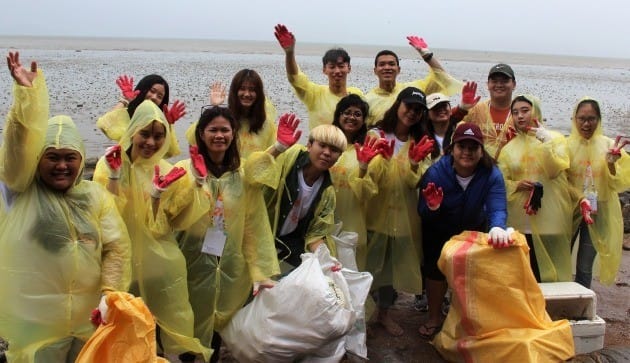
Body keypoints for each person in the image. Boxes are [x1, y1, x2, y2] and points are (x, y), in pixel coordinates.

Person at [0, 51, 131, 362]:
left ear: (80, 159)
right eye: (52, 156)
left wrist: (109, 296)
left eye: (69, 157)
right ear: (39, 159)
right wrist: (27, 100)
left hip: (88, 319)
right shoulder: (21, 190)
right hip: (37, 322)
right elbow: (17, 150)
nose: (61, 165)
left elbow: (116, 247)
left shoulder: (95, 196)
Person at [93, 100, 211, 361]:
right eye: (145, 134)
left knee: (176, 321)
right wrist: (114, 178)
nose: (151, 142)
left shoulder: (167, 170)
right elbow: (105, 216)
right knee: (123, 326)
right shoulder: (110, 164)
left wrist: (197, 185)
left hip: (161, 262)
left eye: (159, 136)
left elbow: (174, 222)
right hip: (121, 264)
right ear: (132, 131)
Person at [163, 106, 280, 363]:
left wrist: (259, 271)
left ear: (233, 134)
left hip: (227, 258)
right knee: (189, 314)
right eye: (212, 130)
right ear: (201, 135)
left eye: (225, 130)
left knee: (217, 319)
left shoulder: (242, 177)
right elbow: (170, 215)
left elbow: (253, 225)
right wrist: (195, 180)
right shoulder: (185, 168)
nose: (219, 136)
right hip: (190, 256)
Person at [418, 122, 510, 340]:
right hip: (439, 225)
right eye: (462, 147)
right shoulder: (436, 172)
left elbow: (498, 206)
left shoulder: (491, 174)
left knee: (469, 273)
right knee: (435, 271)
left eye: (473, 148)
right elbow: (422, 211)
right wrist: (432, 207)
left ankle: (465, 317)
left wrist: (497, 227)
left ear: (481, 150)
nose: (467, 152)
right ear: (452, 149)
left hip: (472, 226)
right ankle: (434, 317)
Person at [364, 87, 435, 336]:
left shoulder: (421, 142)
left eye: (418, 110)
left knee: (391, 269)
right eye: (409, 107)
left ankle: (383, 314)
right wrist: (381, 160)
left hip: (404, 216)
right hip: (374, 213)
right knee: (369, 264)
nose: (412, 113)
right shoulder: (377, 134)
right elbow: (368, 175)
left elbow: (416, 183)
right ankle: (363, 314)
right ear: (398, 105)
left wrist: (414, 163)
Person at [246, 116, 347, 269]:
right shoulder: (288, 158)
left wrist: (326, 259)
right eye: (322, 145)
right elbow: (252, 174)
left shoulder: (327, 191)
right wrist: (278, 147)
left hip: (289, 244)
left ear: (339, 156)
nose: (327, 153)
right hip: (257, 234)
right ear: (309, 145)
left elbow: (315, 234)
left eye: (334, 150)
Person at [497, 95, 574, 282]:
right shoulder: (509, 148)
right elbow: (501, 182)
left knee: (552, 271)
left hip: (550, 218)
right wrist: (517, 185)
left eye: (525, 110)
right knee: (526, 273)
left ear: (536, 111)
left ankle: (552, 309)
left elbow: (554, 170)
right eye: (515, 113)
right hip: (521, 221)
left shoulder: (556, 139)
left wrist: (546, 143)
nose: (520, 116)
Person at [566, 97, 630, 287]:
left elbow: (618, 183)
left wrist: (611, 163)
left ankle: (581, 307)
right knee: (561, 259)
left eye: (591, 119)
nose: (586, 124)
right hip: (570, 210)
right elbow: (557, 177)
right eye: (581, 118)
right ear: (574, 119)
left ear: (599, 119)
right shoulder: (565, 146)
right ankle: (559, 303)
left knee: (585, 266)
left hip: (597, 212)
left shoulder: (609, 146)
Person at [330, 94, 385, 270]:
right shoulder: (326, 144)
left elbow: (366, 193)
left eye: (357, 114)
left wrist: (362, 167)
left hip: (352, 223)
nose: (351, 117)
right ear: (338, 115)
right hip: (323, 221)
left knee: (349, 273)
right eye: (347, 112)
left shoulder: (369, 152)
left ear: (363, 120)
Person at [274, 24, 363, 131]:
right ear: (324, 70)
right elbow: (295, 79)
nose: (337, 71)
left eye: (341, 66)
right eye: (332, 67)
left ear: (349, 68)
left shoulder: (357, 94)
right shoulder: (315, 94)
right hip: (319, 146)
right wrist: (289, 53)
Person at [365, 35, 462, 126]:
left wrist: (427, 56)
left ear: (398, 69)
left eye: (391, 64)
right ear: (375, 71)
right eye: (382, 64)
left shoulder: (413, 90)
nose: (387, 67)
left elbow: (443, 80)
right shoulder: (367, 99)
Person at [185, 69, 278, 158]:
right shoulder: (225, 120)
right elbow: (194, 138)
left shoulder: (266, 125)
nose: (247, 94)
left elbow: (272, 156)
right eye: (242, 89)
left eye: (252, 90)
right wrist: (214, 108)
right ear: (234, 91)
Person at [96, 73, 185, 158]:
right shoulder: (128, 114)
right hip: (124, 163)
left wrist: (168, 125)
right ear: (143, 89)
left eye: (159, 96)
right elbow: (105, 125)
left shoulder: (158, 123)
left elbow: (169, 152)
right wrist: (125, 100)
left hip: (147, 168)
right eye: (152, 91)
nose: (154, 97)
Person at [461, 63, 517, 159]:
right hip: (480, 169)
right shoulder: (475, 110)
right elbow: (450, 130)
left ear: (514, 84)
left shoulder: (520, 113)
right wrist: (462, 109)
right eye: (494, 81)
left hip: (512, 170)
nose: (499, 85)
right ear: (488, 84)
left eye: (504, 81)